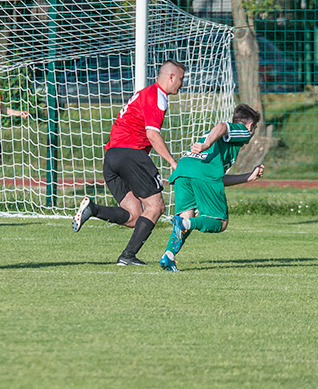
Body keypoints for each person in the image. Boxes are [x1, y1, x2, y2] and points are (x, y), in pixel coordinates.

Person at [72, 60, 186, 266]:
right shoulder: (157, 96)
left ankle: (94, 210)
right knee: (156, 206)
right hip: (131, 154)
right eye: (181, 79)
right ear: (171, 77)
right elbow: (152, 135)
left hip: (112, 157)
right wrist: (172, 162)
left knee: (135, 216)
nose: (182, 84)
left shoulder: (144, 94)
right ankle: (127, 256)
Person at [159, 103, 265, 272]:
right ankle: (182, 226)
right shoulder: (242, 131)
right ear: (251, 126)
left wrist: (248, 177)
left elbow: (217, 178)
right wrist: (206, 144)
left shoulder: (223, 145)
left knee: (187, 218)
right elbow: (222, 125)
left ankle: (169, 256)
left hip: (185, 168)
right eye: (254, 129)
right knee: (220, 222)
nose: (252, 134)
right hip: (201, 171)